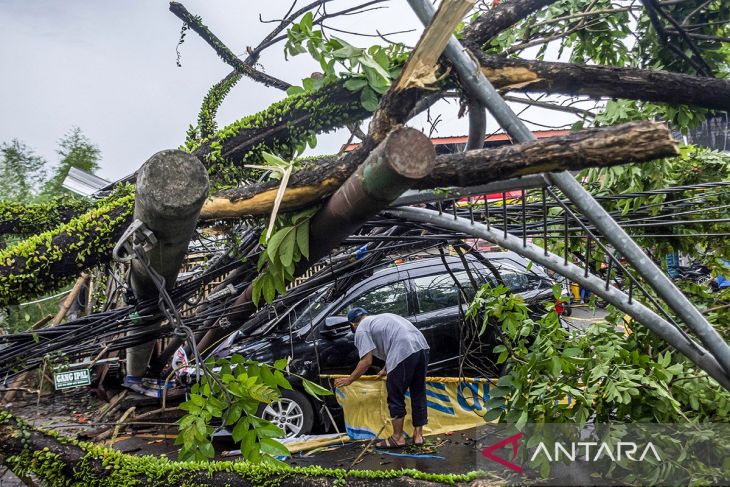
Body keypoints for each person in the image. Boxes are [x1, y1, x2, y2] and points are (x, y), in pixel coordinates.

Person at [333, 307, 430, 448]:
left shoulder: (361, 329)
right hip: (422, 347)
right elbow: (392, 341)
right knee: (418, 392)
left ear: (352, 325)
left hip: (404, 349)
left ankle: (397, 438)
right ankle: (418, 436)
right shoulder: (382, 318)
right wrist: (386, 368)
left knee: (395, 395)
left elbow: (366, 361)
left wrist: (350, 379)